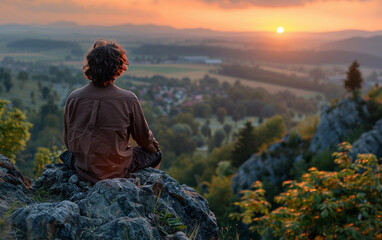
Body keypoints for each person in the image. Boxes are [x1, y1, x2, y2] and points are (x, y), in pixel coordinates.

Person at [63, 39, 161, 184]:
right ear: (118, 68)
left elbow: (68, 140)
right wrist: (153, 146)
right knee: (156, 155)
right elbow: (144, 139)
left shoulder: (74, 97)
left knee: (66, 155)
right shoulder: (128, 99)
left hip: (83, 168)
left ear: (90, 65)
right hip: (116, 168)